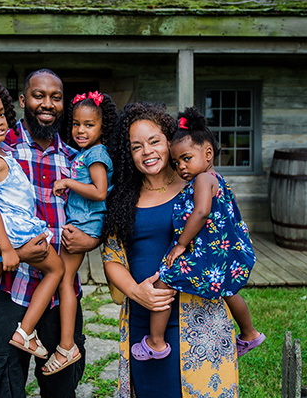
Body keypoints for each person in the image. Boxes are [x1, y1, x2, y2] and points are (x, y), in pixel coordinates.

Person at [0, 69, 96, 398]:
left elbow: (99, 214)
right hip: (6, 289)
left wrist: (93, 240)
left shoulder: (77, 162)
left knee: (61, 389)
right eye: (39, 95)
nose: (47, 103)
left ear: (64, 104)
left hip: (58, 295)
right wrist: (5, 252)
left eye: (56, 97)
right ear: (23, 100)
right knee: (1, 387)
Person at [102, 102, 239, 398]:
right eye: (136, 146)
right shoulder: (123, 197)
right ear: (128, 153)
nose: (147, 151)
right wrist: (138, 292)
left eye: (154, 141)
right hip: (145, 321)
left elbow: (227, 239)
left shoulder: (198, 186)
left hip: (199, 317)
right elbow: (112, 258)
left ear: (169, 141)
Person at [131, 107, 264, 363]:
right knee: (228, 291)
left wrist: (180, 245)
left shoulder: (203, 180)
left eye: (186, 158)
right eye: (176, 162)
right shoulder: (218, 179)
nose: (181, 166)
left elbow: (201, 212)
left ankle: (156, 343)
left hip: (205, 252)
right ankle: (249, 332)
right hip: (219, 253)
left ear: (208, 153)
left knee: (164, 280)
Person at [43, 91, 117, 375]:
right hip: (82, 222)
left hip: (86, 226)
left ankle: (66, 346)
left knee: (63, 281)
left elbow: (99, 192)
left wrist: (69, 183)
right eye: (76, 124)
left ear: (102, 128)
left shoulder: (97, 154)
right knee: (63, 279)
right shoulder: (86, 153)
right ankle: (62, 343)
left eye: (89, 125)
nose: (80, 130)